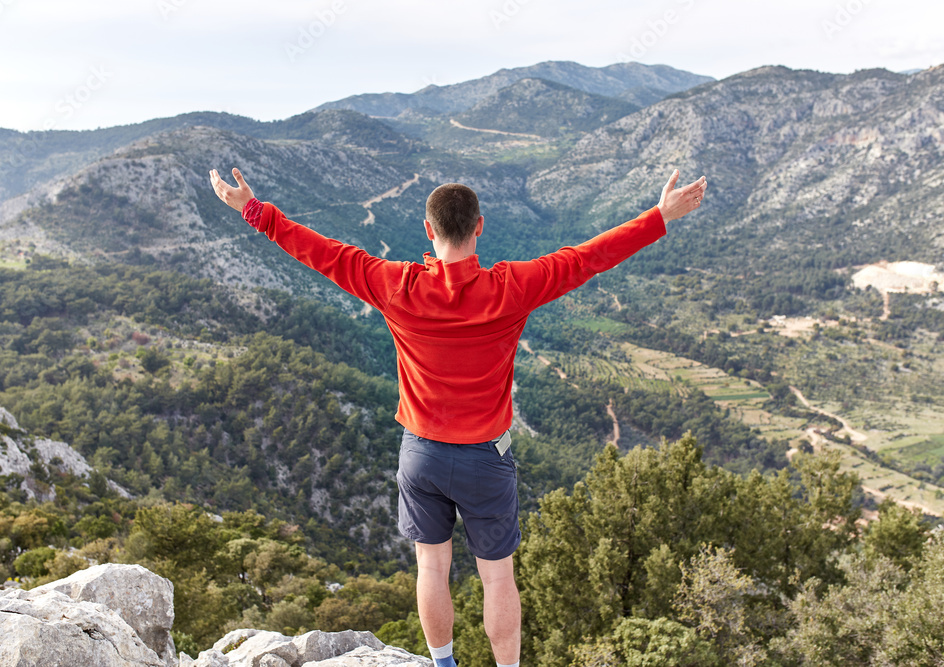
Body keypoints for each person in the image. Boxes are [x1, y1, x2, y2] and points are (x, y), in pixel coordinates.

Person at [210, 166, 707, 667]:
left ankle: (443, 664)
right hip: (486, 459)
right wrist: (659, 216)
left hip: (421, 454)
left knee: (431, 567)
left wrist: (255, 211)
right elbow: (586, 258)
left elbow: (322, 253)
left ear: (429, 229)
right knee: (497, 577)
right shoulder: (511, 287)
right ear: (480, 227)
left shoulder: (396, 285)